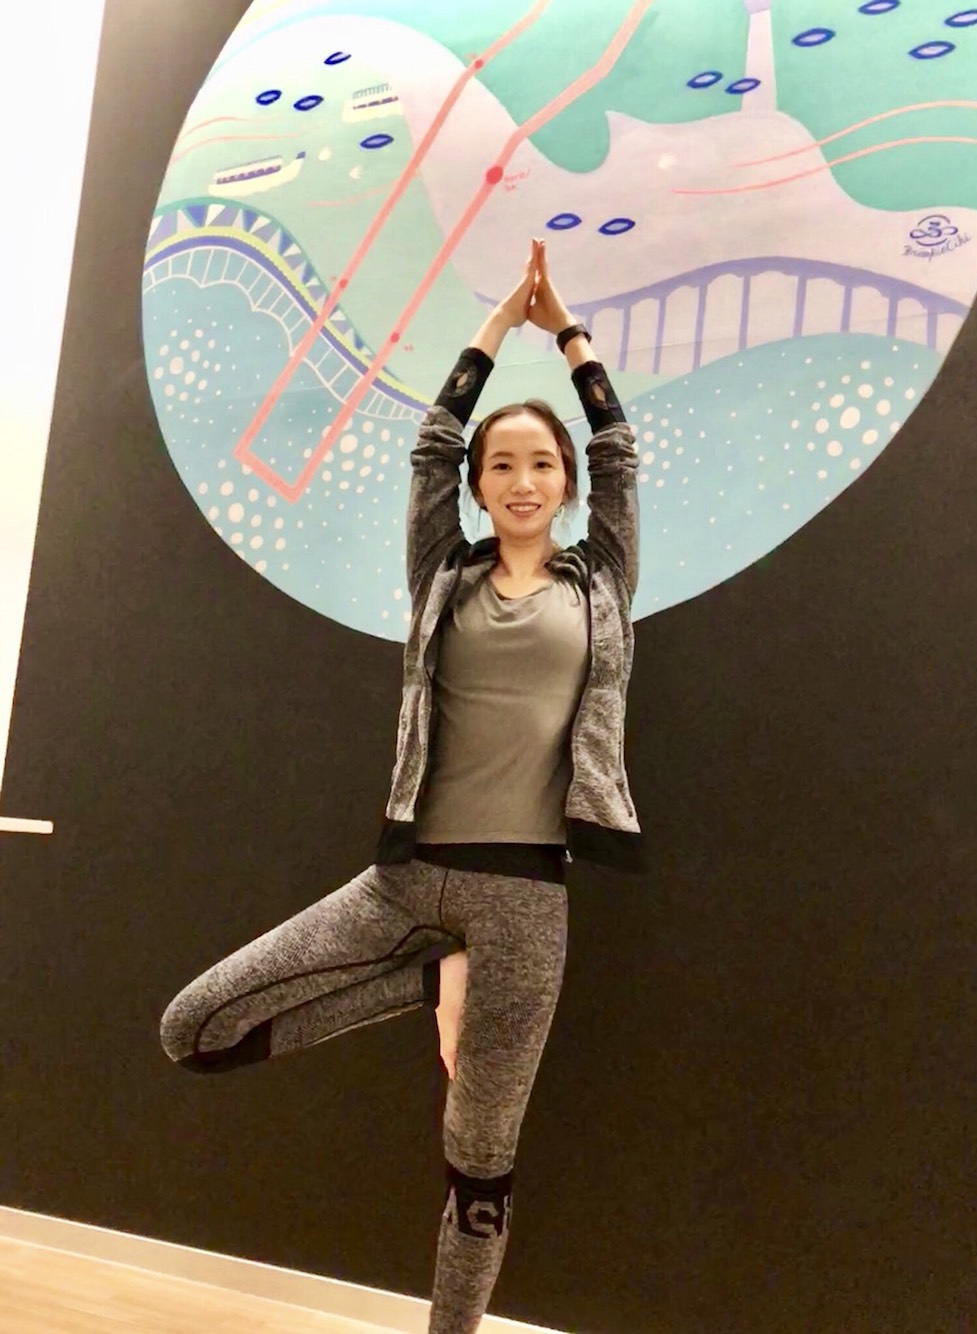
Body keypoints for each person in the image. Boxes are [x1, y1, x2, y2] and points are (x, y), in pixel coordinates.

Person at [159, 237, 645, 1333]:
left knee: (478, 1172)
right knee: (197, 1028)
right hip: (406, 880)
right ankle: (429, 980)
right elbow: (430, 444)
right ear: (477, 487)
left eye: (541, 464)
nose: (521, 481)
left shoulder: (601, 582)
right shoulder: (442, 577)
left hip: (526, 905)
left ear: (566, 485)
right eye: (500, 465)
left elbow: (620, 450)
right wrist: (492, 331)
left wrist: (569, 337)